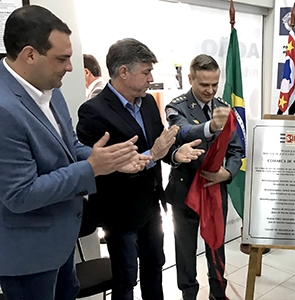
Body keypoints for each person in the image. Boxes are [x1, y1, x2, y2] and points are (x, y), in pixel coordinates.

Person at [0, 5, 142, 300]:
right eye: (62, 58)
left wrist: (109, 159)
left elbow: (69, 148)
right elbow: (19, 194)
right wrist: (91, 168)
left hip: (60, 241)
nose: (71, 68)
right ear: (29, 54)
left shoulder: (51, 90)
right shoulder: (4, 109)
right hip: (28, 254)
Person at [77, 38, 204, 300]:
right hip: (119, 212)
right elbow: (100, 168)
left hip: (151, 207)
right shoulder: (93, 112)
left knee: (154, 268)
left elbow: (158, 144)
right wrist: (153, 154)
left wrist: (175, 153)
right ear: (124, 71)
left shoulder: (146, 103)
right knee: (125, 279)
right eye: (146, 72)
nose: (151, 78)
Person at [164, 54, 243, 300]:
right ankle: (189, 294)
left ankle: (218, 293)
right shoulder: (176, 106)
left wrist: (227, 172)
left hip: (215, 189)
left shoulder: (223, 106)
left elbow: (236, 149)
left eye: (214, 84)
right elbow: (184, 131)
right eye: (204, 85)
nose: (210, 90)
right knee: (186, 252)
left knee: (216, 247)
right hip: (186, 190)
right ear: (190, 79)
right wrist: (211, 126)